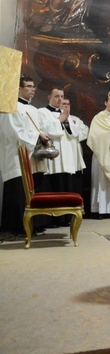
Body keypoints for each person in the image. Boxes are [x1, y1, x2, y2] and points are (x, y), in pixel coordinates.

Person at [0, 76, 47, 236]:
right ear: (19, 89)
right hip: (16, 155)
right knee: (18, 193)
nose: (33, 89)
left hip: (32, 155)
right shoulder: (11, 108)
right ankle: (15, 228)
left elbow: (38, 129)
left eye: (33, 86)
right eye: (28, 86)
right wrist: (37, 136)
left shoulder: (34, 109)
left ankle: (32, 225)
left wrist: (41, 137)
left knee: (31, 192)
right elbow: (14, 133)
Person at [37, 87, 72, 193]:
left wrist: (66, 123)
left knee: (65, 186)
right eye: (57, 96)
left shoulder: (64, 112)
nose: (60, 99)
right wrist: (59, 121)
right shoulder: (41, 112)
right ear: (49, 97)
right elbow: (45, 131)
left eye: (62, 96)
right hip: (51, 156)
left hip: (65, 155)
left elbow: (71, 134)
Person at [59, 97, 88, 196]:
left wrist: (70, 127)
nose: (66, 106)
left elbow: (85, 132)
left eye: (68, 104)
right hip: (62, 156)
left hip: (74, 156)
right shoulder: (55, 119)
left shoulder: (76, 119)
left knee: (75, 184)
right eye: (63, 104)